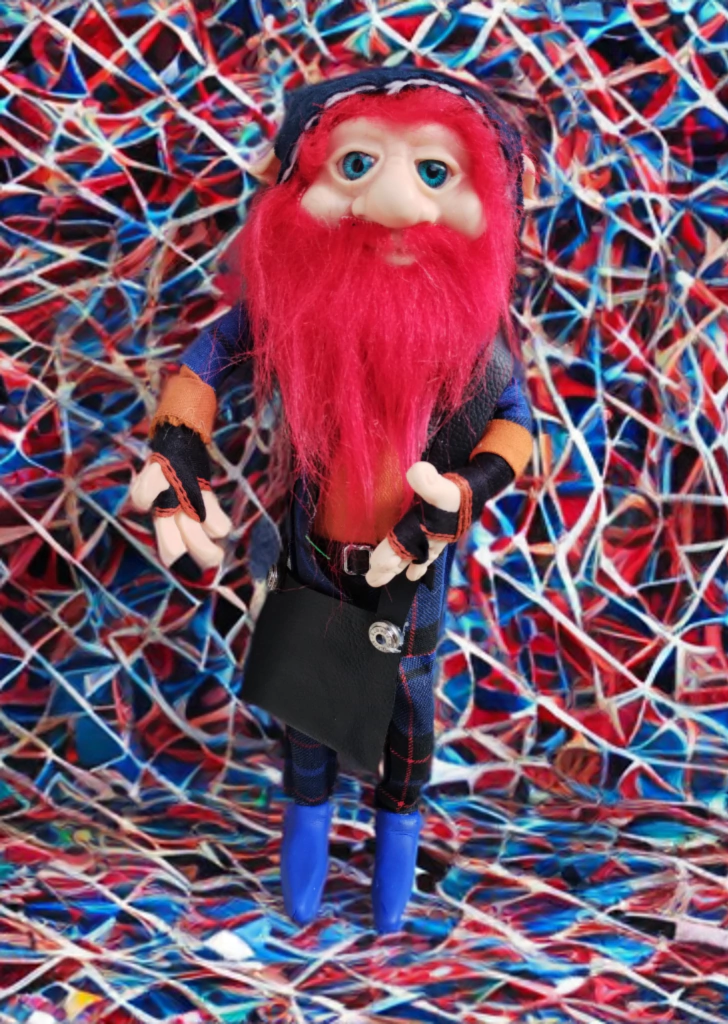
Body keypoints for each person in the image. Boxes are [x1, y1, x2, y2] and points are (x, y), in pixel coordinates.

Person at [130, 66, 536, 934]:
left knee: (407, 737)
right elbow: (204, 367)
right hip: (313, 572)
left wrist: (460, 494)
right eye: (356, 165)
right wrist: (177, 454)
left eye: (434, 171)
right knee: (304, 731)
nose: (393, 203)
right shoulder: (294, 318)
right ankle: (303, 876)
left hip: (410, 582)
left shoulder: (469, 347)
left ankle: (392, 889)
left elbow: (516, 428)